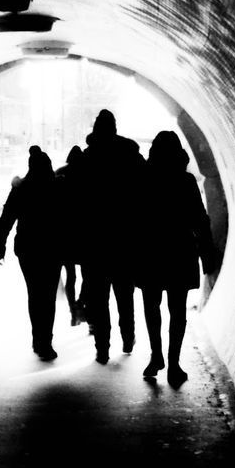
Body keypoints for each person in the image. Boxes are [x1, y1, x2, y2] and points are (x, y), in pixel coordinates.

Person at [136, 131, 219, 384]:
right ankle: (173, 363)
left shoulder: (144, 180)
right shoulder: (186, 181)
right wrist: (207, 250)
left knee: (151, 306)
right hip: (180, 250)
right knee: (176, 309)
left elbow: (133, 218)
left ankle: (156, 355)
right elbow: (200, 219)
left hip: (150, 251)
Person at [77, 109, 144, 364]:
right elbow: (145, 195)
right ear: (115, 128)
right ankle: (128, 337)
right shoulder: (131, 157)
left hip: (94, 240)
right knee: (124, 294)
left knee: (98, 297)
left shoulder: (87, 159)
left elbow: (75, 200)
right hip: (125, 238)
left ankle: (102, 347)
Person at [0, 146, 63, 361]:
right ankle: (46, 341)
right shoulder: (57, 188)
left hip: (27, 247)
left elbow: (7, 218)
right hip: (53, 247)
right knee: (48, 295)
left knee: (35, 293)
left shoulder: (21, 188)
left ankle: (37, 338)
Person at [55, 145, 86, 326]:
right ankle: (81, 302)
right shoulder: (87, 176)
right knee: (88, 275)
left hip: (64, 233)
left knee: (71, 276)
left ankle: (73, 310)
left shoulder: (60, 174)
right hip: (82, 233)